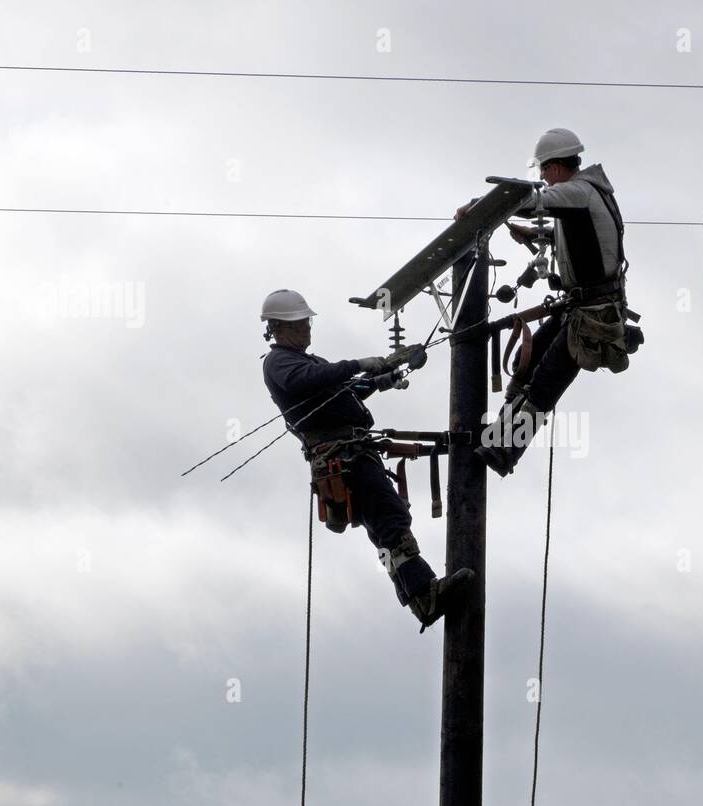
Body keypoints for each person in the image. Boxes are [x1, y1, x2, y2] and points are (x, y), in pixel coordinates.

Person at [259, 288, 473, 629]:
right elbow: (314, 380)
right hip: (341, 456)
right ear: (280, 328)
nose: (309, 329)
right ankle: (425, 593)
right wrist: (358, 364)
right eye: (302, 324)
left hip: (352, 453)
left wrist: (389, 376)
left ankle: (422, 598)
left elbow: (347, 390)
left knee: (385, 524)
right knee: (389, 519)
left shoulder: (308, 362)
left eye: (308, 323)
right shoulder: (281, 363)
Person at [456, 127, 641, 476]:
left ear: (556, 167)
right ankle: (499, 434)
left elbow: (530, 203)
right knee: (525, 371)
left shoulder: (578, 191)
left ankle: (505, 452)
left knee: (543, 385)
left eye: (543, 170)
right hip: (579, 308)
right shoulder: (586, 195)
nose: (543, 178)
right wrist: (536, 234)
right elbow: (577, 235)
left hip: (592, 315)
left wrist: (478, 207)